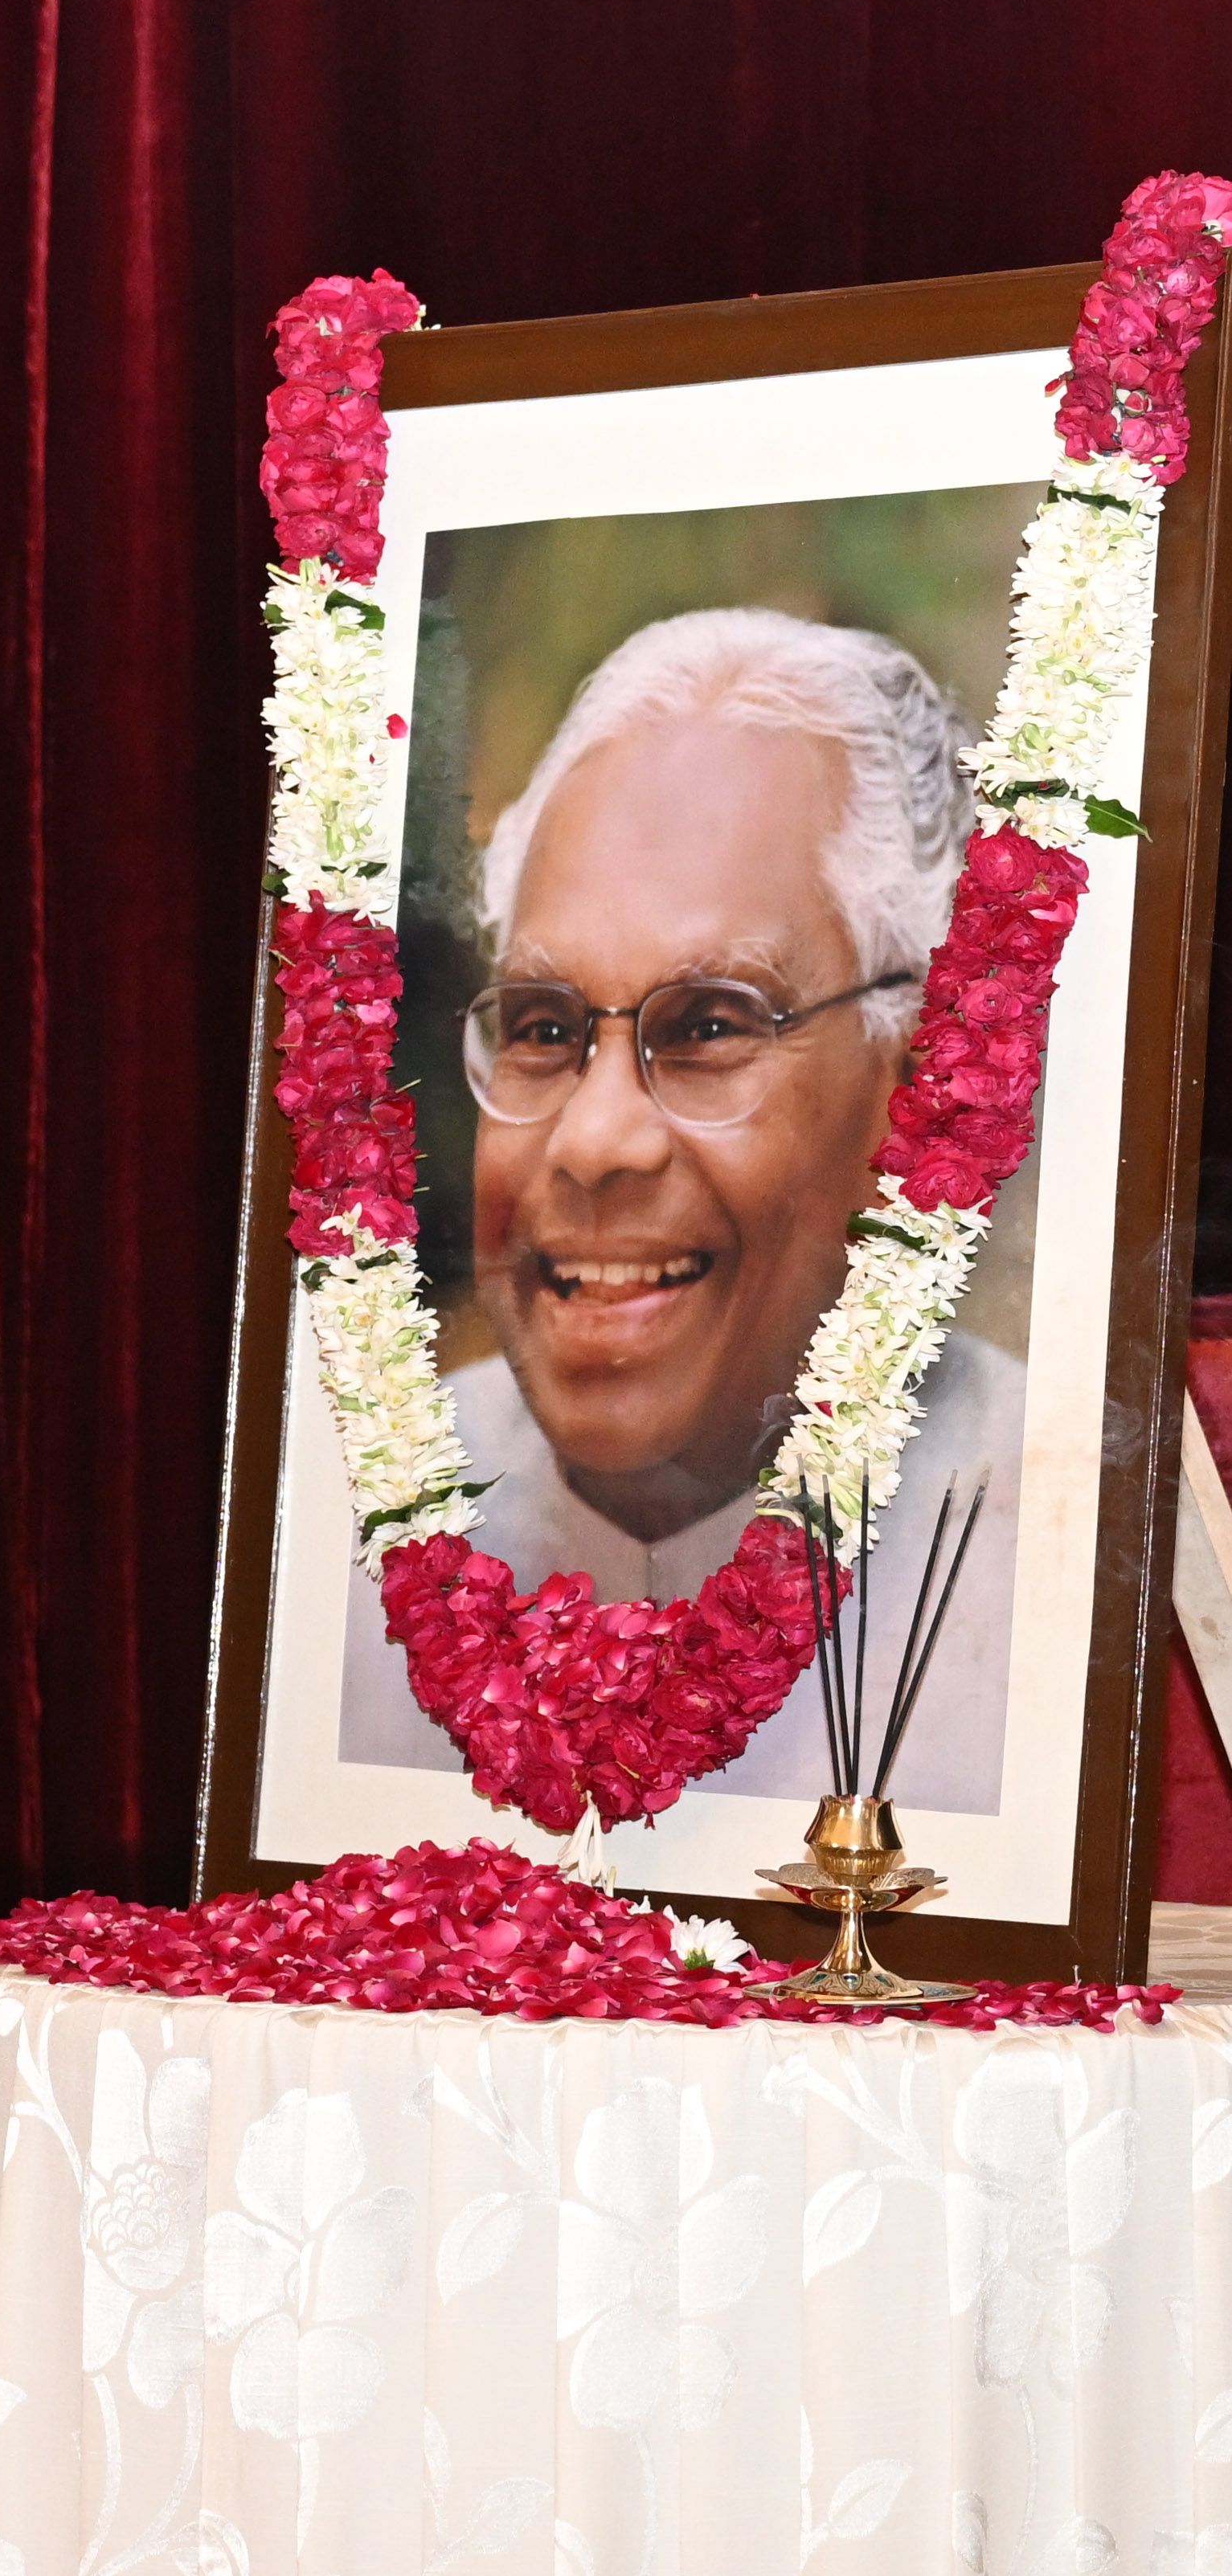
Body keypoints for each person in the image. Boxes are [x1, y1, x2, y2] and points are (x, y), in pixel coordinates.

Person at [340, 606, 1022, 1808]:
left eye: (708, 1025)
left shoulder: (1056, 1548)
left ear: (914, 1081)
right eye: (543, 1027)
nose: (594, 1141)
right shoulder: (340, 1545)